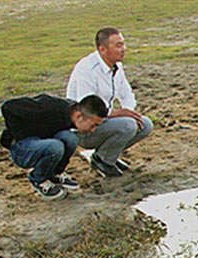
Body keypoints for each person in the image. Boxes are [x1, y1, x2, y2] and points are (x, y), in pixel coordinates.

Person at [66, 26, 153, 177]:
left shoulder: (116, 65)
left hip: (104, 121)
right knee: (128, 125)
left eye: (123, 44)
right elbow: (88, 109)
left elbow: (126, 93)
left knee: (144, 125)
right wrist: (121, 114)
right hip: (86, 128)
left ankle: (108, 155)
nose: (123, 49)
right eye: (118, 45)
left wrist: (129, 111)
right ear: (103, 49)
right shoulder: (86, 69)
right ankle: (103, 160)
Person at [0, 94, 107, 200]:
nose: (93, 130)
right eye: (93, 125)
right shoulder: (47, 107)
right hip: (21, 147)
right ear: (79, 116)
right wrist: (20, 136)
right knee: (55, 146)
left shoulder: (71, 112)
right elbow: (8, 107)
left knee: (71, 138)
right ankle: (38, 179)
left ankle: (55, 174)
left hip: (42, 141)